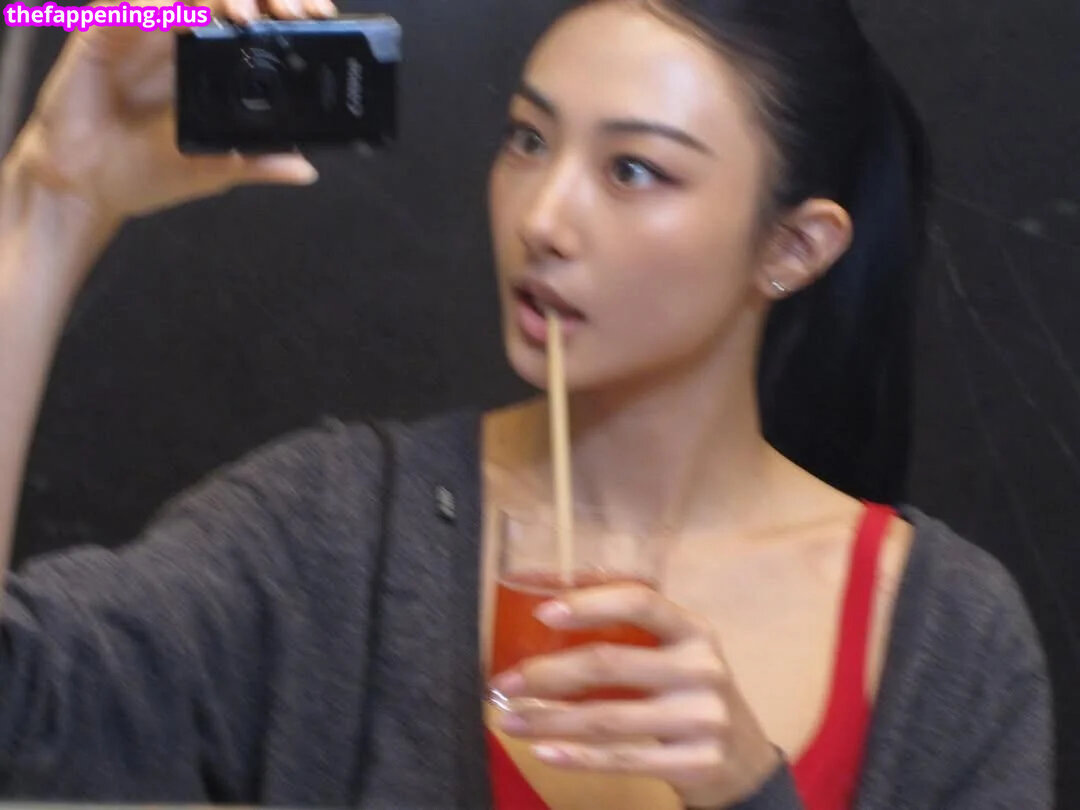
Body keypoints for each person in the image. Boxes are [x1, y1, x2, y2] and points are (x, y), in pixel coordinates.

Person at [0, 0, 1053, 808]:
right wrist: (49, 208)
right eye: (529, 140)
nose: (543, 217)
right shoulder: (335, 536)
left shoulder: (951, 638)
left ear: (794, 247)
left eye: (633, 169)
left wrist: (745, 790)